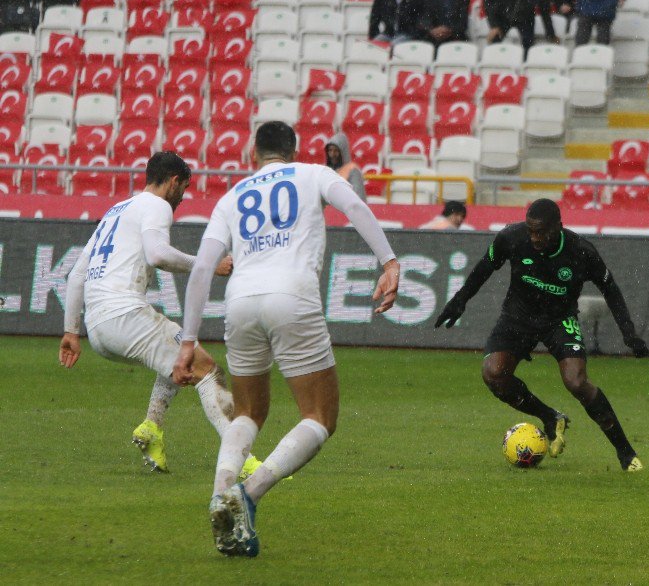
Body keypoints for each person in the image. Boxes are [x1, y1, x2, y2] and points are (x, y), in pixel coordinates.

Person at [173, 122, 400, 557]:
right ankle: (250, 494)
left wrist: (188, 340)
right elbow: (353, 204)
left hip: (240, 300)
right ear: (292, 151)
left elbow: (203, 269)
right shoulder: (312, 174)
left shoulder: (231, 196)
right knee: (319, 414)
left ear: (252, 153)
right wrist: (388, 260)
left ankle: (221, 491)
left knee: (248, 411)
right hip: (292, 294)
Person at [59, 151, 249, 475]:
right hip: (125, 315)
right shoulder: (158, 206)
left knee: (179, 353)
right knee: (206, 369)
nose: (182, 199)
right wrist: (208, 264)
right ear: (174, 182)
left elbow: (77, 274)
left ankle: (152, 426)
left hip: (98, 330)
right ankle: (243, 461)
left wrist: (71, 332)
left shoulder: (116, 210)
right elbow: (158, 254)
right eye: (184, 190)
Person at [435, 198, 649, 471]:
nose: (534, 237)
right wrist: (460, 300)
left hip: (559, 320)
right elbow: (484, 267)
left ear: (558, 227)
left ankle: (625, 452)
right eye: (531, 230)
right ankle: (550, 417)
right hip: (517, 317)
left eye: (541, 232)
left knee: (576, 381)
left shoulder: (581, 252)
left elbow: (611, 289)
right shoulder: (512, 238)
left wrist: (628, 333)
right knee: (493, 373)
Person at [325, 132, 367, 202]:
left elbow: (359, 199)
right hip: (329, 210)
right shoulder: (326, 170)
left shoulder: (353, 170)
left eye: (336, 151)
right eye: (330, 150)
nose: (332, 154)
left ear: (343, 152)